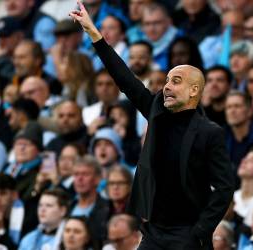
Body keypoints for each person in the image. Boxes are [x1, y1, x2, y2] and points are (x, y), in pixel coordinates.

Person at [70, 3, 234, 249]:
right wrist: (95, 36)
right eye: (166, 80)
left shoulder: (210, 132)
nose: (167, 86)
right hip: (154, 231)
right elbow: (125, 79)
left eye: (176, 81)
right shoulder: (156, 114)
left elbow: (224, 187)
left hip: (187, 234)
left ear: (194, 90)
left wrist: (201, 230)